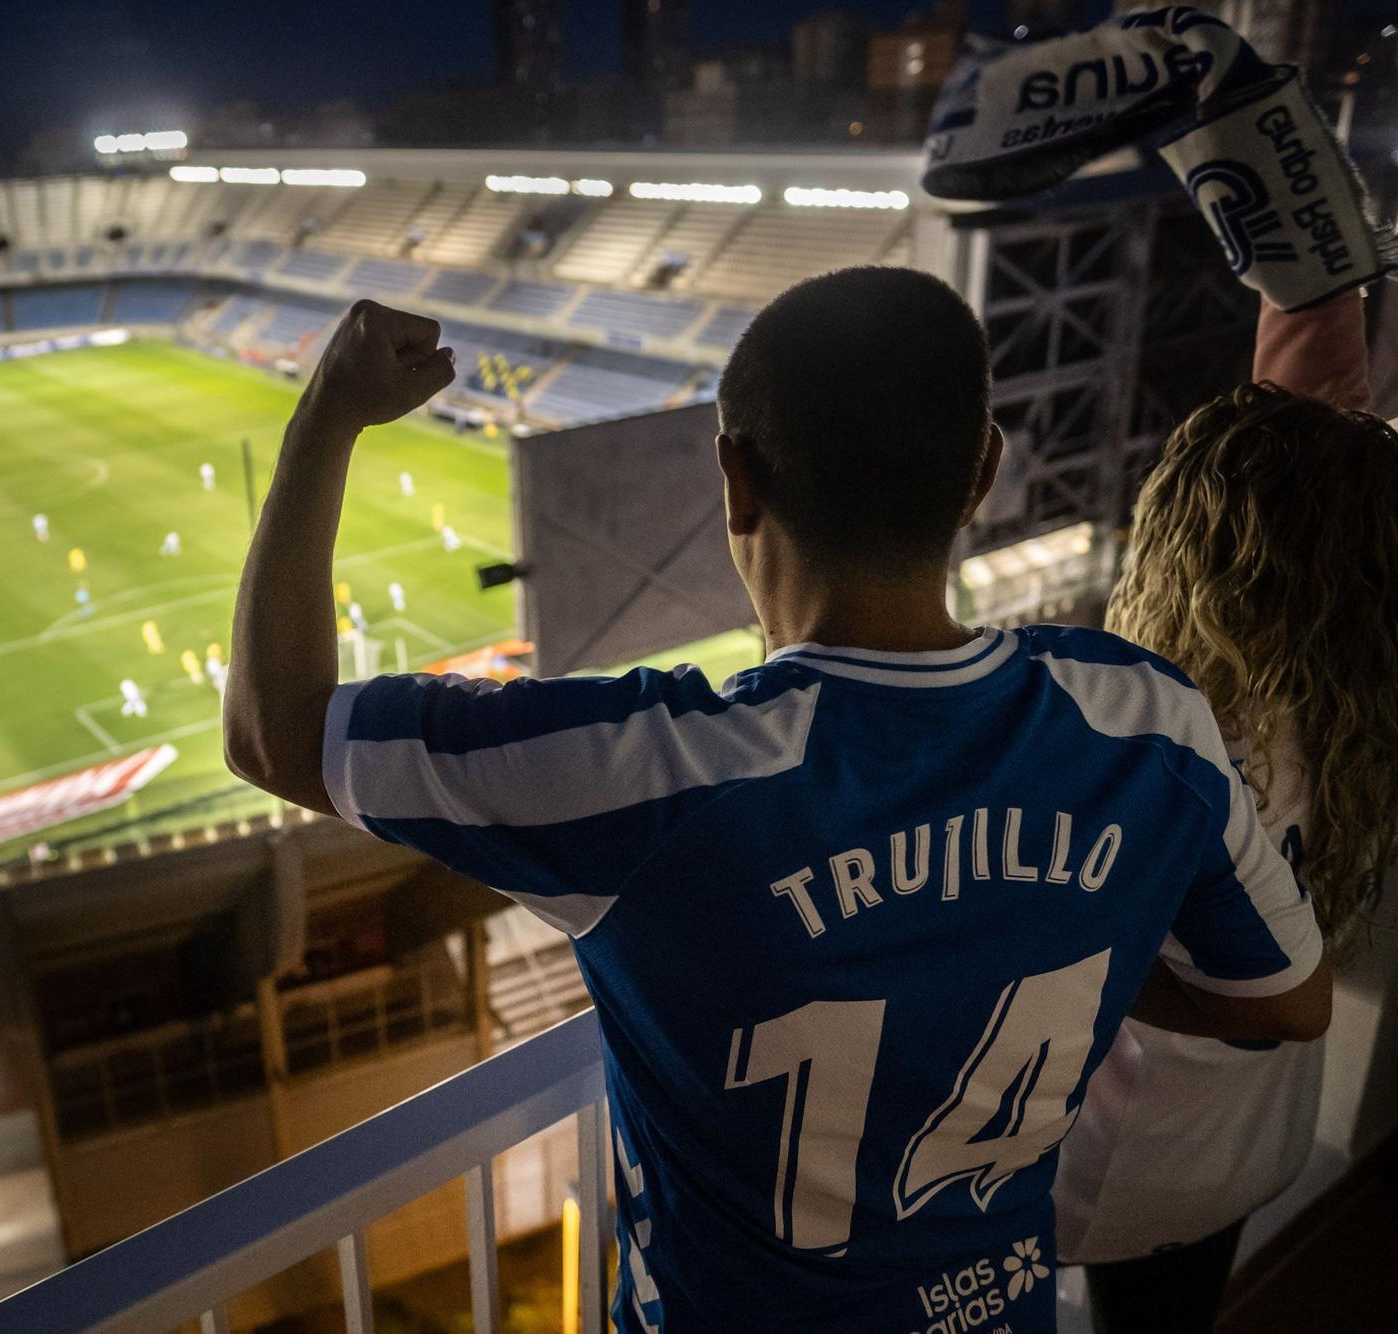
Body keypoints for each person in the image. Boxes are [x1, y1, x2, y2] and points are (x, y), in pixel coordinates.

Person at [224, 290, 1329, 1332]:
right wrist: (1061, 933)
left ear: (734, 479)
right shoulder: (1144, 718)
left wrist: (326, 413)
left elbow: (274, 732)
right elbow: (1286, 1000)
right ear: (980, 474)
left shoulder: (644, 768)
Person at [1053, 291, 1398, 1331]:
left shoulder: (1125, 728)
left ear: (1178, 538)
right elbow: (1316, 463)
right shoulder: (1358, 716)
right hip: (1250, 1140)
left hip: (1090, 1162)